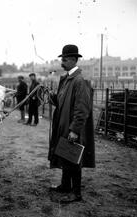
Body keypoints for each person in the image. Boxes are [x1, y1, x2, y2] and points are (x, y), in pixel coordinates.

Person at [48, 44, 95, 203]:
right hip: (64, 125)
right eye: (62, 58)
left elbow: (82, 108)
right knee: (65, 154)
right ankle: (65, 185)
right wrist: (52, 97)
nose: (63, 62)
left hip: (72, 127)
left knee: (73, 158)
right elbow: (63, 103)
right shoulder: (67, 79)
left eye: (66, 59)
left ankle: (76, 193)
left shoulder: (79, 81)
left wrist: (75, 129)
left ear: (75, 60)